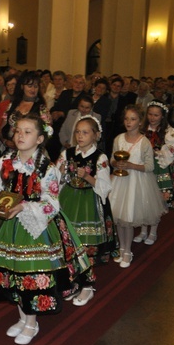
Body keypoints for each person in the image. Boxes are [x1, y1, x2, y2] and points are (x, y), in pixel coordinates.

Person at [0, 117, 90, 345]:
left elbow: (51, 201)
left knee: (28, 273)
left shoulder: (46, 168)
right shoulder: (6, 161)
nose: (20, 135)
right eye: (18, 131)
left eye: (27, 132)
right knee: (13, 274)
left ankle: (32, 322)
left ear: (39, 139)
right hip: (7, 224)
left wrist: (23, 207)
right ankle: (23, 317)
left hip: (34, 226)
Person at [56, 116, 117, 306]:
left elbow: (105, 187)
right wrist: (61, 171)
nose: (80, 136)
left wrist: (88, 177)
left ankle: (87, 285)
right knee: (66, 243)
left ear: (96, 135)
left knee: (85, 244)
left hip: (88, 203)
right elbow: (55, 177)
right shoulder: (67, 153)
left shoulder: (100, 157)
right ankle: (72, 281)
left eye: (85, 132)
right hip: (68, 199)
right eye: (78, 132)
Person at [109, 105, 167, 268]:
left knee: (127, 218)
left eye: (133, 119)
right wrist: (117, 163)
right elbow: (112, 160)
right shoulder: (118, 139)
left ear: (140, 122)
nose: (129, 122)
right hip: (120, 182)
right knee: (119, 220)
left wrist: (131, 165)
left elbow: (149, 166)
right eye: (126, 118)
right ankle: (121, 247)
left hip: (136, 183)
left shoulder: (144, 142)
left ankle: (128, 251)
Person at [134, 101, 174, 246]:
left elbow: (173, 148)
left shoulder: (169, 132)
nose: (152, 118)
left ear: (163, 116)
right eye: (150, 114)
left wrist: (158, 152)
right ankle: (143, 230)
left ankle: (153, 231)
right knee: (144, 200)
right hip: (144, 166)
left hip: (160, 167)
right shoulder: (142, 128)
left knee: (156, 201)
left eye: (156, 115)